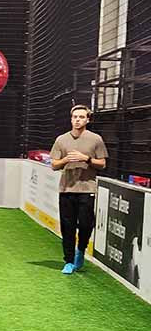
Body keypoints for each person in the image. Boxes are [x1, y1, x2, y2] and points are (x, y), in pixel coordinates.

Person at [50, 105, 108, 274]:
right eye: (75, 117)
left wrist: (86, 159)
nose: (77, 120)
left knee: (85, 224)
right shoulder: (61, 140)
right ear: (71, 119)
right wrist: (66, 160)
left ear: (88, 120)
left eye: (82, 117)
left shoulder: (96, 139)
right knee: (67, 227)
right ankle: (68, 261)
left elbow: (102, 164)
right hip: (67, 189)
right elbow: (54, 165)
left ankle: (81, 250)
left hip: (87, 188)